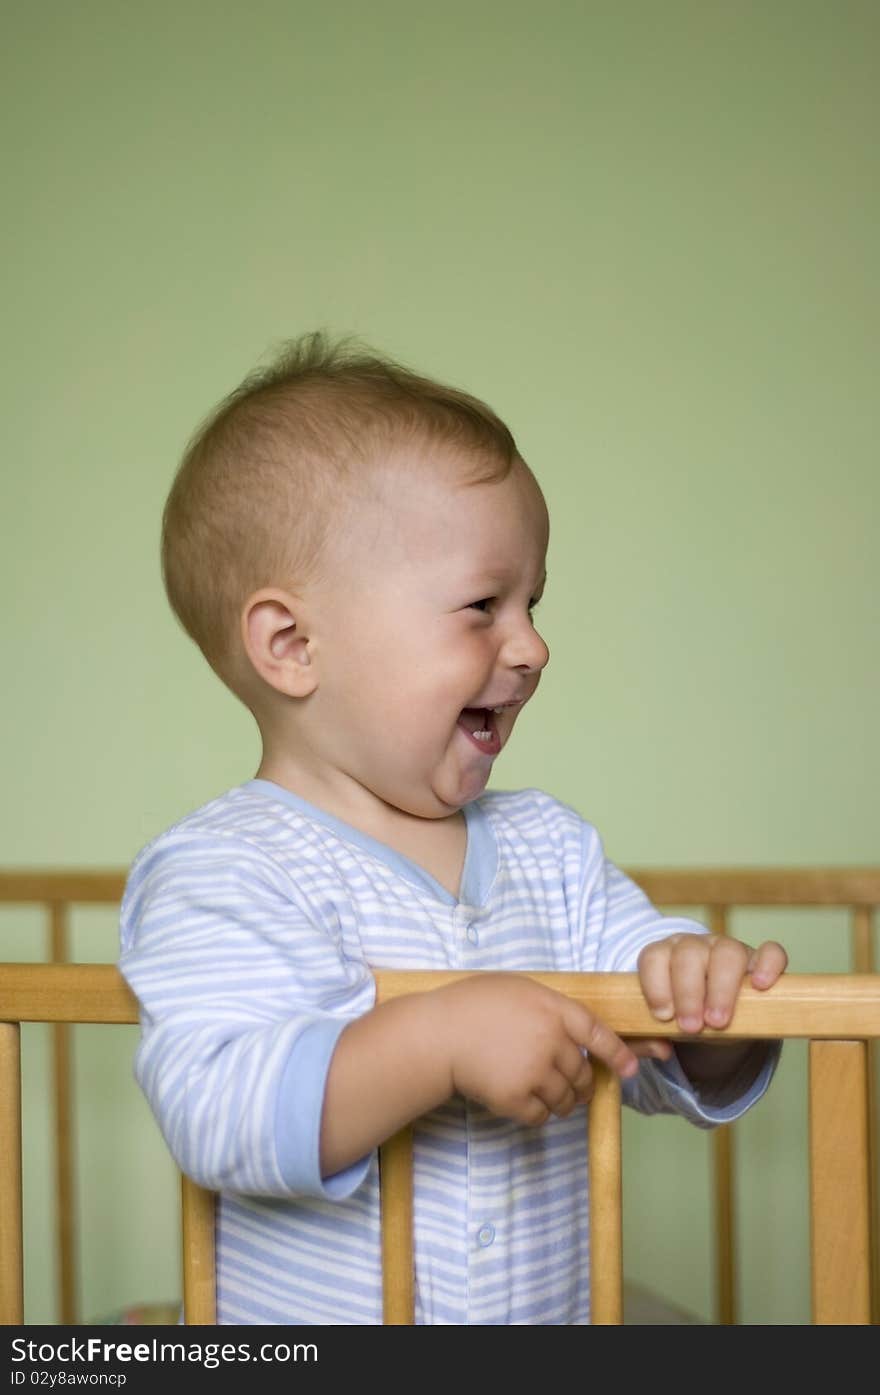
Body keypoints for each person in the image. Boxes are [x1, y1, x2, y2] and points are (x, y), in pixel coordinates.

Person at [119, 332, 786, 1325]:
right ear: (292, 645)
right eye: (482, 605)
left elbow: (647, 1046)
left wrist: (707, 1008)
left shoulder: (551, 854)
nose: (531, 645)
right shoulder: (224, 872)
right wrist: (433, 1042)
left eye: (533, 602)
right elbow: (222, 1115)